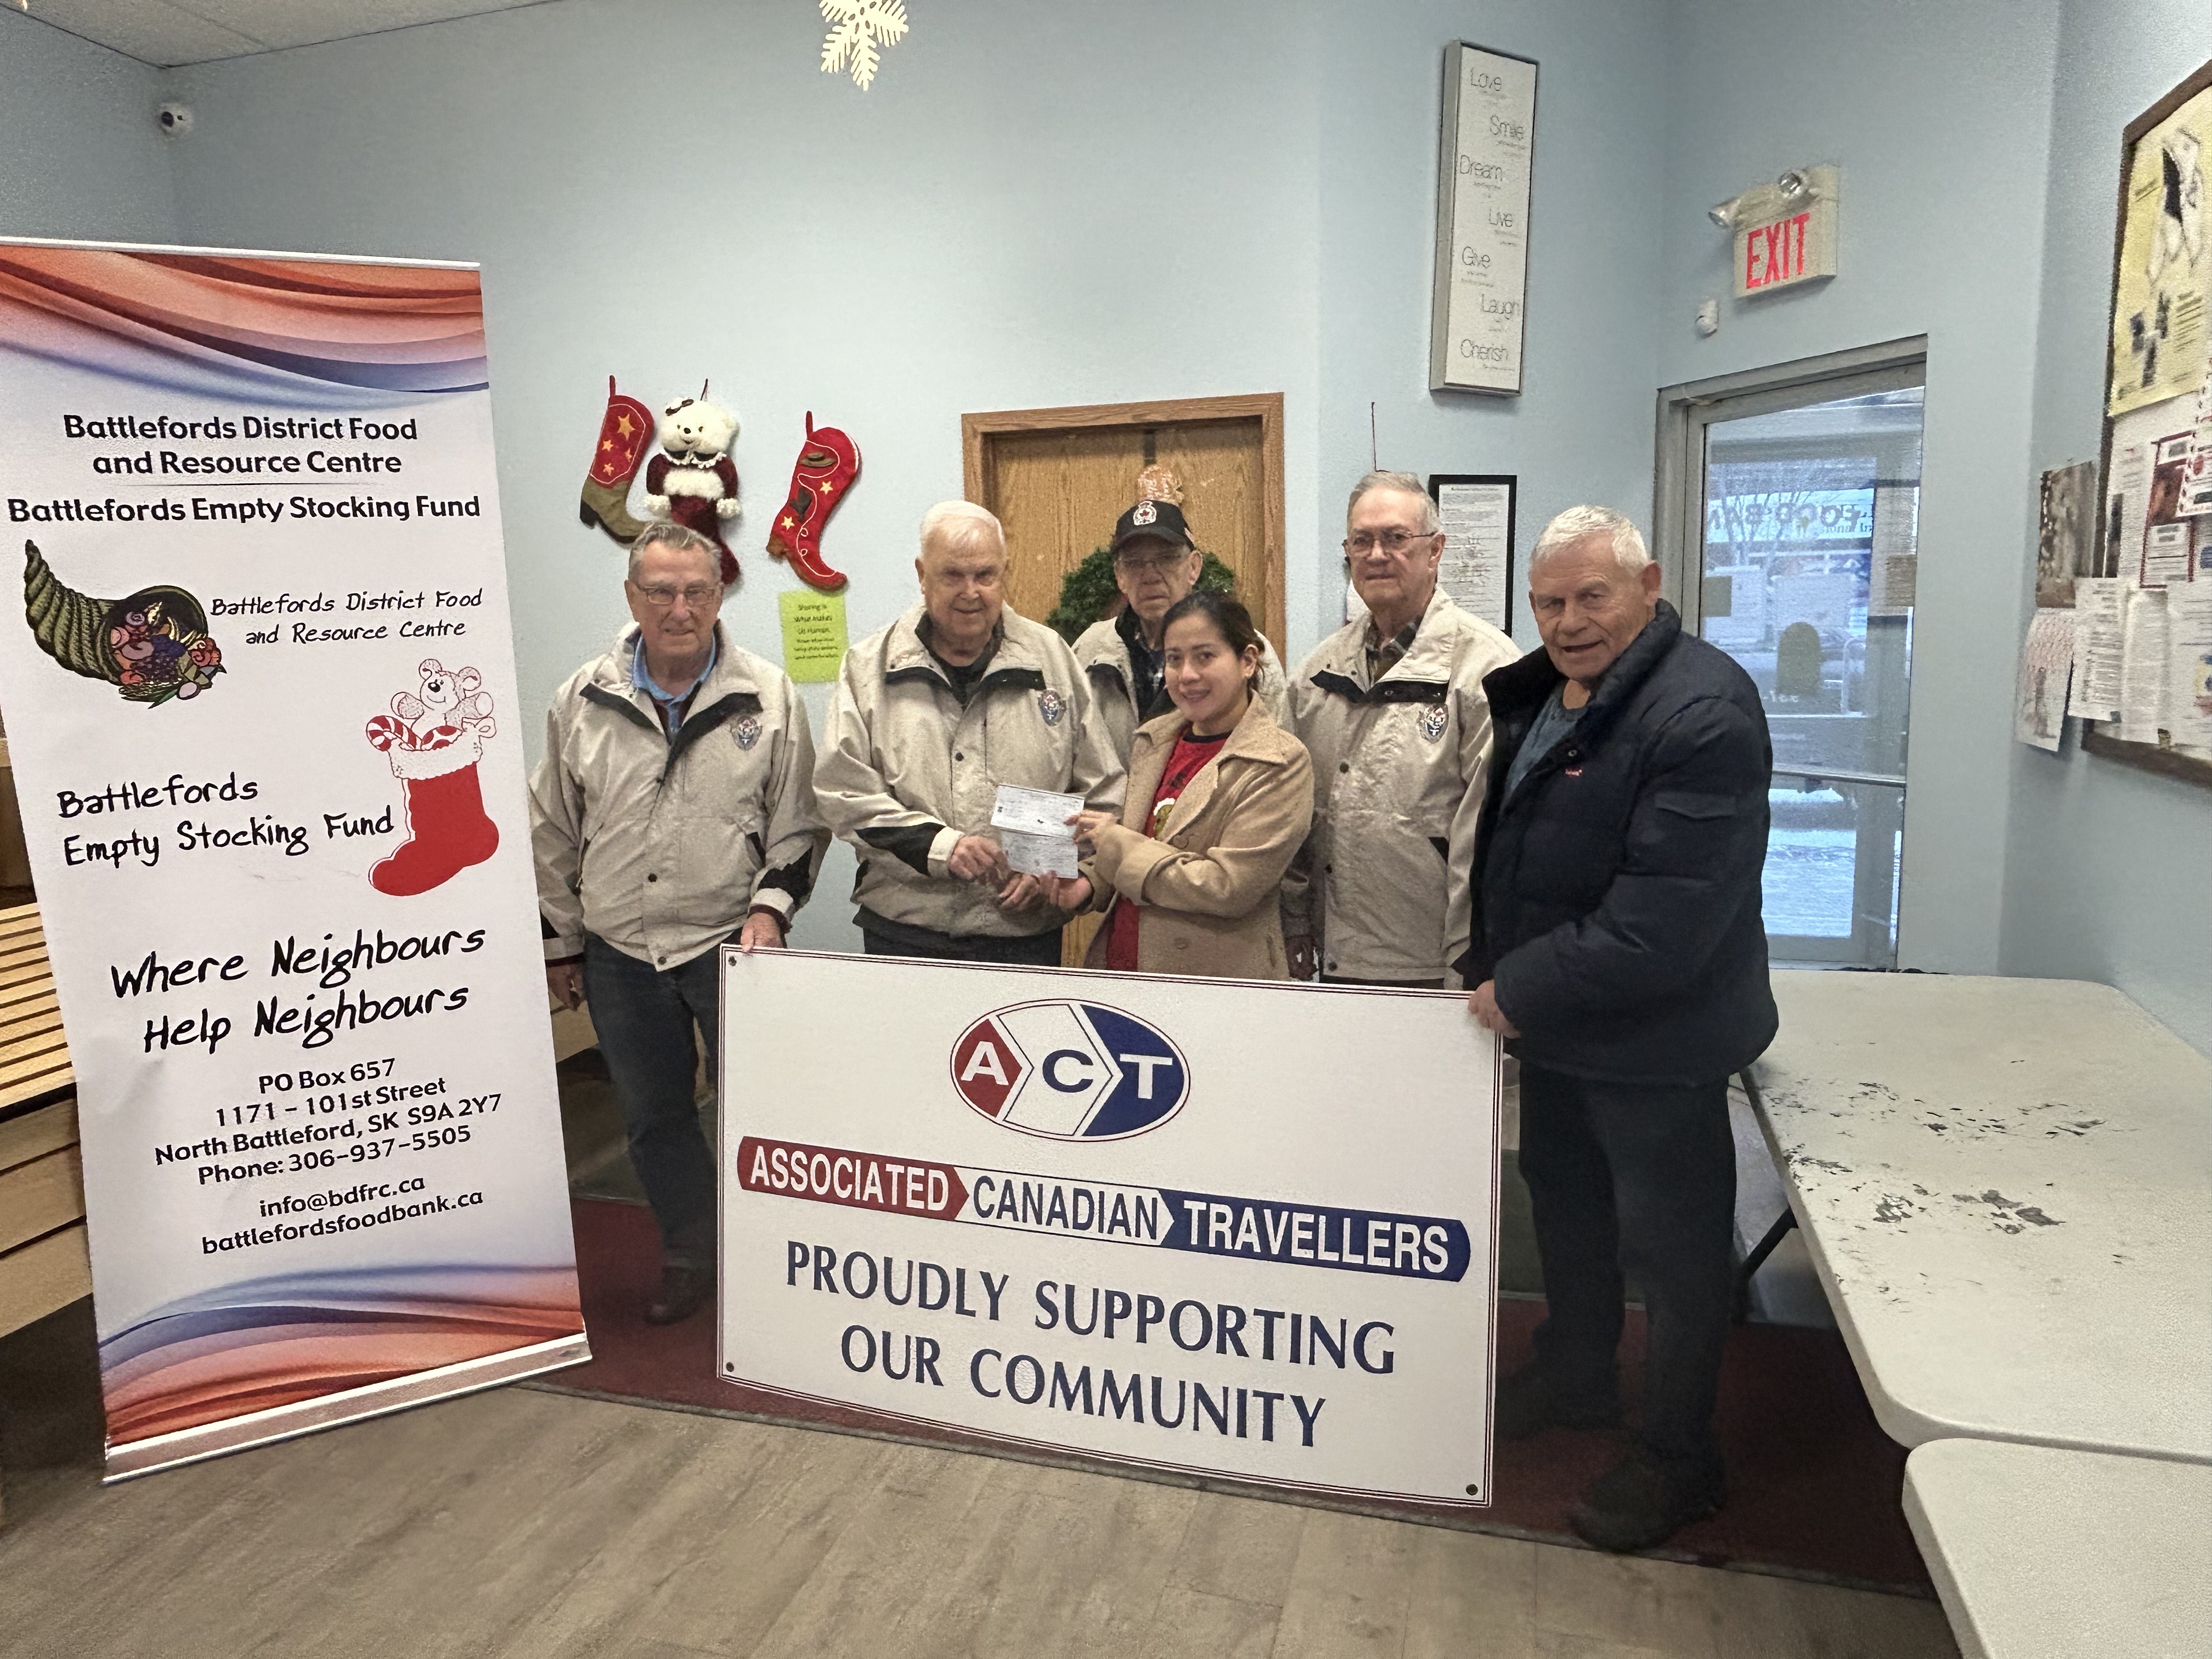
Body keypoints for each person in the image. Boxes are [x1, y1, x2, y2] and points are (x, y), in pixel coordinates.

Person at [1458, 504, 1777, 1553]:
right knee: (1569, 1211)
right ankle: (1578, 1369)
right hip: (1560, 1023)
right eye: (1548, 601)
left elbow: (1666, 920)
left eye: (1591, 595)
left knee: (1674, 1252)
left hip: (1659, 1041)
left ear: (1647, 584)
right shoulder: (1556, 692)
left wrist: (1522, 984)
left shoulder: (1704, 713)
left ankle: (1681, 1451)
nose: (1567, 619)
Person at [531, 522, 829, 1326]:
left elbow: (799, 823)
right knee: (654, 1115)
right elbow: (552, 829)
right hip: (620, 950)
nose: (679, 608)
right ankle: (692, 1251)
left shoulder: (767, 697)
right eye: (660, 591)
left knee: (760, 1107)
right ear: (632, 596)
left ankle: (779, 1257)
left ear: (720, 595)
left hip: (730, 942)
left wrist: (772, 909)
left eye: (696, 590)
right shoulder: (582, 698)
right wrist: (560, 944)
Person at [815, 501, 1123, 963]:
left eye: (985, 575)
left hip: (1025, 932)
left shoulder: (1053, 658)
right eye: (952, 575)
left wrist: (1051, 866)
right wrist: (943, 848)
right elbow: (844, 793)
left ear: (1004, 573)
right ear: (922, 574)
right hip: (906, 931)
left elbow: (1101, 790)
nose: (971, 591)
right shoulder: (868, 668)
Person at [1283, 470, 1519, 986]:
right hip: (1336, 957)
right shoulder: (1315, 674)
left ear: (1435, 551)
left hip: (1440, 965)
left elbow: (1495, 839)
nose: (1376, 554)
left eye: (1395, 538)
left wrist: (1475, 962)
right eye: (1362, 541)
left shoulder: (1487, 670)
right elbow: (1294, 818)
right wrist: (1296, 922)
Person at [1068, 590, 1312, 979]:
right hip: (1123, 970)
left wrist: (1114, 845)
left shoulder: (1281, 761)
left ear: (1248, 661)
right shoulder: (1153, 741)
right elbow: (1138, 836)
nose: (1187, 676)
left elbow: (1227, 886)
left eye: (1205, 656)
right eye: (1174, 659)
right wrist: (1087, 883)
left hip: (1213, 984)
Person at [1073, 497, 1289, 763]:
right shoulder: (1090, 649)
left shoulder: (1245, 648)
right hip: (1109, 804)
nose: (1150, 575)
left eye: (1166, 559)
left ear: (1194, 567)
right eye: (1134, 563)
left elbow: (1278, 754)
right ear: (1120, 576)